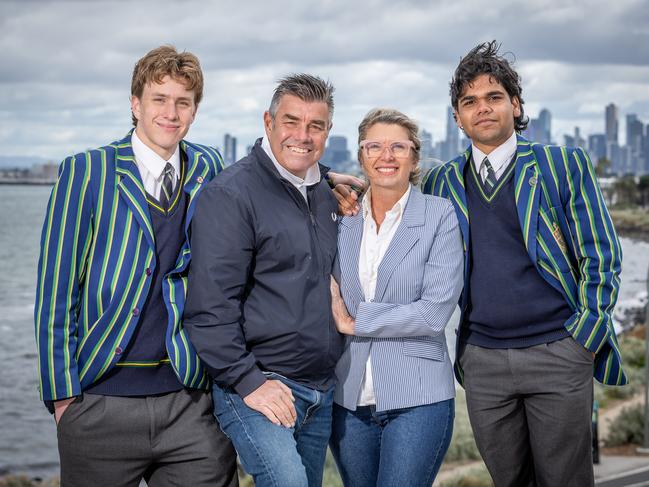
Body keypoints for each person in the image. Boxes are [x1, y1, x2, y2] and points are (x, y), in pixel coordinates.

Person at [419, 41, 626, 486]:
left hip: (558, 351)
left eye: (494, 97)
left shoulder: (560, 165)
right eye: (469, 101)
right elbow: (389, 192)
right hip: (483, 360)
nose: (483, 109)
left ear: (515, 104)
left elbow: (601, 254)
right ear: (458, 117)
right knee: (508, 480)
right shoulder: (443, 180)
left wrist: (584, 337)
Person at [34, 45, 237, 487]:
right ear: (135, 104)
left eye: (183, 102)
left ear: (195, 110)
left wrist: (327, 182)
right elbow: (55, 293)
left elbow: (267, 185)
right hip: (100, 404)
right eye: (159, 99)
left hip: (190, 403)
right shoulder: (86, 172)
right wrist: (64, 399)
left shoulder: (210, 167)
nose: (171, 112)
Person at [183, 74, 343, 487]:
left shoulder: (327, 191)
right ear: (268, 122)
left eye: (316, 126)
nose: (302, 136)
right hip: (259, 386)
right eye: (291, 122)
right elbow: (208, 307)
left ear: (328, 131)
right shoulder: (232, 195)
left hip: (319, 391)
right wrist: (249, 382)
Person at [327, 108, 464, 487]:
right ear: (361, 156)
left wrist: (356, 322)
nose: (386, 156)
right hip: (348, 397)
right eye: (374, 146)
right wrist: (326, 179)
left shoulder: (439, 215)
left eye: (398, 147)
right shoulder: (341, 216)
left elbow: (434, 313)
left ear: (414, 157)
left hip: (418, 397)